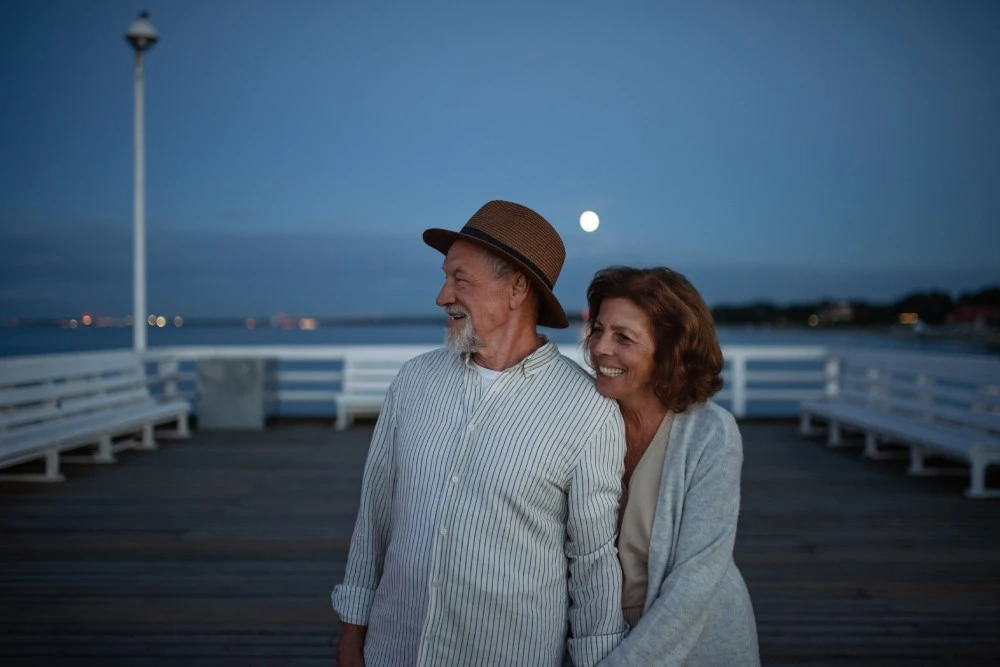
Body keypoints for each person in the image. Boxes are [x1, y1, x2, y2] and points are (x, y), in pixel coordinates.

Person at [332, 200, 628, 667]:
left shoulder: (587, 411)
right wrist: (352, 636)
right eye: (445, 276)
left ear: (515, 288)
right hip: (393, 650)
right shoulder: (413, 382)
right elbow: (375, 517)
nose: (441, 295)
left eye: (460, 280)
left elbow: (592, 566)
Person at [584, 266, 761, 667]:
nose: (599, 348)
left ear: (668, 350)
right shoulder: (585, 419)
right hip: (597, 639)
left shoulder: (711, 434)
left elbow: (694, 583)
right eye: (598, 329)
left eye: (623, 337)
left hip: (693, 642)